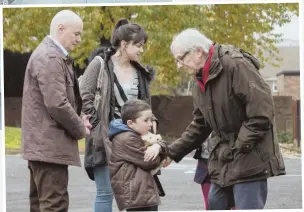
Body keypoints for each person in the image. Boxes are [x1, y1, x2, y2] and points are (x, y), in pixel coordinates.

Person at [162, 28, 286, 210]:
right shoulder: (198, 79)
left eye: (181, 58)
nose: (178, 65)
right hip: (224, 159)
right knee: (215, 204)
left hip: (249, 156)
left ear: (198, 51)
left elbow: (261, 113)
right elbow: (200, 125)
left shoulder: (235, 64)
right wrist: (171, 152)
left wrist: (237, 148)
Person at [79, 18, 158, 212]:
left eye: (142, 46)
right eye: (138, 45)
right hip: (105, 139)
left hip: (133, 140)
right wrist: (99, 128)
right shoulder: (99, 65)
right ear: (124, 45)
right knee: (105, 193)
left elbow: (145, 106)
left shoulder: (140, 72)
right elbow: (85, 98)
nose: (141, 50)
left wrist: (152, 129)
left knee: (135, 194)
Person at [21, 10, 92, 212]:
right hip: (48, 149)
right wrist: (80, 127)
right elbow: (57, 104)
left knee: (41, 205)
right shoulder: (51, 56)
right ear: (61, 29)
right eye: (76, 33)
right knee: (54, 206)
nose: (79, 39)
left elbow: (54, 102)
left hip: (43, 148)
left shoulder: (48, 55)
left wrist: (79, 119)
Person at [108, 99, 167, 211]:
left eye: (151, 119)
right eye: (146, 120)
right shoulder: (127, 138)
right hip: (137, 195)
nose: (151, 123)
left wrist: (158, 146)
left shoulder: (135, 133)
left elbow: (162, 144)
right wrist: (159, 149)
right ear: (131, 123)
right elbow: (151, 162)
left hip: (140, 194)